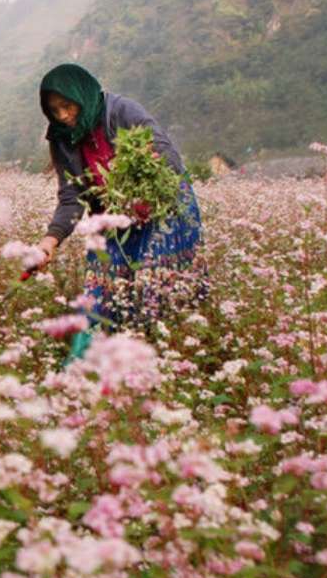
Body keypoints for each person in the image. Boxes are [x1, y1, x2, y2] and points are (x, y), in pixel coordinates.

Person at [32, 63, 206, 358]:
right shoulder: (62, 136)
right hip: (112, 220)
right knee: (99, 293)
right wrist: (50, 240)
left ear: (81, 94)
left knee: (156, 289)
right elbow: (72, 197)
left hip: (163, 212)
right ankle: (81, 370)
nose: (63, 115)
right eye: (54, 110)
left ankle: (161, 359)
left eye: (67, 105)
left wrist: (138, 176)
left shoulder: (121, 112)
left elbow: (169, 159)